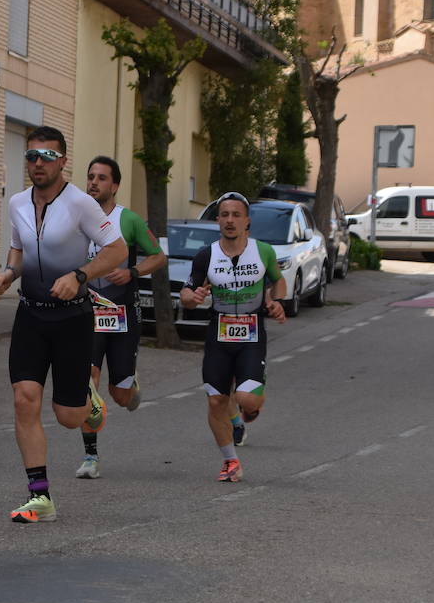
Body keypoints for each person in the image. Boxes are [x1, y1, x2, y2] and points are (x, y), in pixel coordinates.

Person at [0, 127, 128, 523]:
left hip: (72, 318)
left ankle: (88, 398)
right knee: (24, 399)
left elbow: (116, 250)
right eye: (31, 156)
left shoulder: (82, 204)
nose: (37, 164)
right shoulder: (17, 202)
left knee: (69, 417)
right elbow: (19, 247)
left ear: (62, 160)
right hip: (30, 313)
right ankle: (39, 495)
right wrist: (9, 273)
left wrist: (80, 276)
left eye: (46, 157)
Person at [179, 192, 286, 483]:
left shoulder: (263, 251)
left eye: (236, 215)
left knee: (245, 398)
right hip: (219, 333)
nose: (230, 220)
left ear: (247, 221)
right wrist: (194, 295)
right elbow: (186, 293)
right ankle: (231, 461)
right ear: (218, 220)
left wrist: (276, 301)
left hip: (252, 333)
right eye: (224, 215)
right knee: (216, 401)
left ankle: (248, 407)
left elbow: (278, 281)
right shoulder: (206, 255)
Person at [75, 156, 167, 480]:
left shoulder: (129, 220)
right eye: (90, 177)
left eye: (101, 178)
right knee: (87, 382)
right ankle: (90, 456)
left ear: (114, 186)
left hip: (122, 314)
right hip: (87, 313)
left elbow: (159, 256)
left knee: (120, 395)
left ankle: (131, 384)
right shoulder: (76, 218)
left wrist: (132, 271)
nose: (94, 183)